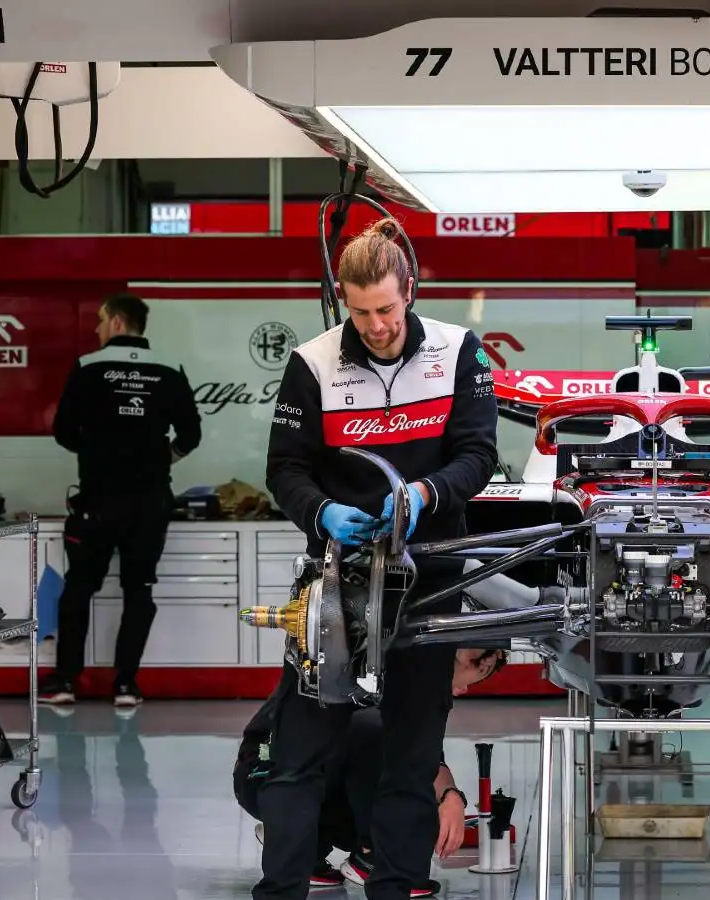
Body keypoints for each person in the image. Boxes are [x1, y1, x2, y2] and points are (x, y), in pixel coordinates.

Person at [256, 217, 500, 900]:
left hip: (432, 578)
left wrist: (427, 494)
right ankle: (278, 893)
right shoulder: (312, 362)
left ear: (410, 290)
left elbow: (478, 454)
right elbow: (286, 469)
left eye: (386, 309)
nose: (376, 325)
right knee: (299, 756)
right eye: (360, 312)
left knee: (412, 751)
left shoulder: (460, 353)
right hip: (337, 584)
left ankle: (395, 888)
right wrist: (321, 512)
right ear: (343, 299)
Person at [235, 648, 507, 894]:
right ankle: (368, 854)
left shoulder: (408, 682)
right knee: (399, 784)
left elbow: (428, 759)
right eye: (473, 676)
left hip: (306, 779)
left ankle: (302, 842)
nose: (464, 690)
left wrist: (451, 797)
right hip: (265, 773)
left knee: (420, 803)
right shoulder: (376, 675)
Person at [43, 292, 202, 708]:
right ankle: (127, 685)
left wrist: (99, 454)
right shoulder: (170, 369)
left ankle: (64, 682)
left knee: (79, 587)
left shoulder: (88, 367)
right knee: (139, 589)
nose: (96, 329)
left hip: (97, 499)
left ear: (115, 322)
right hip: (150, 501)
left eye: (100, 321)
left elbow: (62, 431)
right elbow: (191, 436)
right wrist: (155, 458)